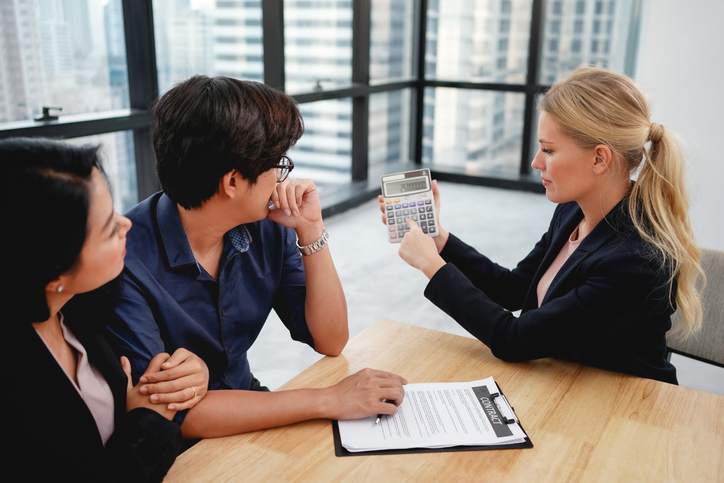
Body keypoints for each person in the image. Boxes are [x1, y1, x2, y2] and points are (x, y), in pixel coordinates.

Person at [89, 75, 406, 439]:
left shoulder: (267, 227)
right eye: (277, 163)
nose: (281, 176)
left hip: (249, 405)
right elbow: (172, 414)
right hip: (174, 448)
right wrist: (327, 400)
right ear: (233, 182)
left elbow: (330, 339)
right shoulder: (125, 261)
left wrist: (311, 230)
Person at [380, 67, 703, 384]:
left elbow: (514, 340)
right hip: (567, 384)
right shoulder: (572, 211)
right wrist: (440, 240)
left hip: (622, 411)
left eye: (548, 150)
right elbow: (514, 289)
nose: (536, 162)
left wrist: (432, 266)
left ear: (600, 159)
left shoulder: (634, 260)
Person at [6, 138, 209, 481]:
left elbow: (147, 388)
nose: (126, 224)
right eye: (108, 228)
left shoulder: (86, 305)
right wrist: (147, 425)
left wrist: (192, 374)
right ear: (53, 270)